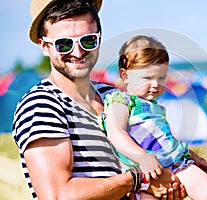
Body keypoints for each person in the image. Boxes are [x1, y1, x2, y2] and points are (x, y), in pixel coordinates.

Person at [12, 0, 194, 199]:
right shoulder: (41, 105)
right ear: (44, 46)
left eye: (88, 40)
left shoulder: (112, 94)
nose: (78, 52)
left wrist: (176, 173)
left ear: (99, 39)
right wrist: (138, 180)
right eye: (64, 44)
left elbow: (153, 144)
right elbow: (57, 195)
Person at [101, 35, 207, 200]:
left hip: (175, 162)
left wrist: (192, 155)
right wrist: (143, 158)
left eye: (162, 77)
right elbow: (115, 132)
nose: (155, 84)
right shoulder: (121, 101)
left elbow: (167, 140)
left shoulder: (155, 107)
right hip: (143, 173)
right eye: (147, 78)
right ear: (125, 75)